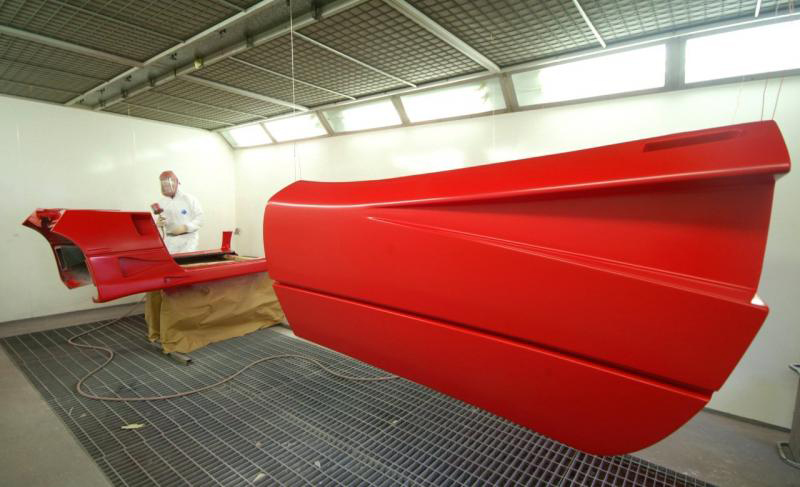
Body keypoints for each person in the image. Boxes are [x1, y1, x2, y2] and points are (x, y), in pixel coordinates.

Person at [153, 170, 204, 254]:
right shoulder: (161, 203)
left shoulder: (189, 199)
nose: (166, 186)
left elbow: (200, 219)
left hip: (188, 240)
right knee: (170, 261)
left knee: (185, 260)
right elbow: (156, 221)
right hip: (169, 241)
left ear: (176, 182)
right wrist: (157, 223)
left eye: (168, 183)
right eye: (164, 184)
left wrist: (186, 227)